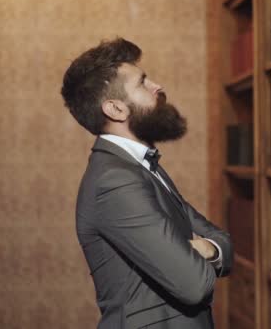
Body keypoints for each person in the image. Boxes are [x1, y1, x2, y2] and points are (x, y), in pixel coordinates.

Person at [61, 38, 233, 329]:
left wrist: (209, 249)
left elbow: (224, 243)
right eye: (142, 83)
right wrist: (201, 249)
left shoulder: (141, 166)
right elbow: (194, 285)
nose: (158, 86)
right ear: (115, 109)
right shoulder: (114, 181)